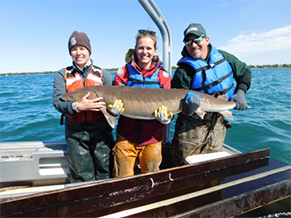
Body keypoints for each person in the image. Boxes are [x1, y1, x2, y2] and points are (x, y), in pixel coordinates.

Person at [171, 23, 251, 166]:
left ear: (207, 39)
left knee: (212, 166)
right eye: (188, 42)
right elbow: (174, 103)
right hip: (191, 129)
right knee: (182, 166)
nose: (193, 45)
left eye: (197, 40)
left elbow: (245, 72)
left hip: (219, 124)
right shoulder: (183, 71)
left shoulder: (224, 57)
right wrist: (186, 110)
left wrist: (241, 92)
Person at [52, 30, 114, 183]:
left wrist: (115, 111)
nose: (78, 53)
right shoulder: (62, 75)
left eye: (82, 48)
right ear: (70, 53)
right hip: (76, 131)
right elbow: (57, 101)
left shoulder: (104, 75)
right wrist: (77, 106)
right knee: (81, 175)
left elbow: (114, 106)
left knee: (105, 170)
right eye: (74, 49)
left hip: (101, 130)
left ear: (89, 50)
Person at [112, 29, 173, 177]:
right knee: (121, 179)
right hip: (126, 135)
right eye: (141, 48)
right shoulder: (123, 72)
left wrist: (168, 118)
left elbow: (172, 104)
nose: (144, 52)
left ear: (155, 50)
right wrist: (111, 111)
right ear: (135, 48)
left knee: (151, 177)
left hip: (152, 137)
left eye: (148, 48)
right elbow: (112, 96)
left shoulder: (163, 75)